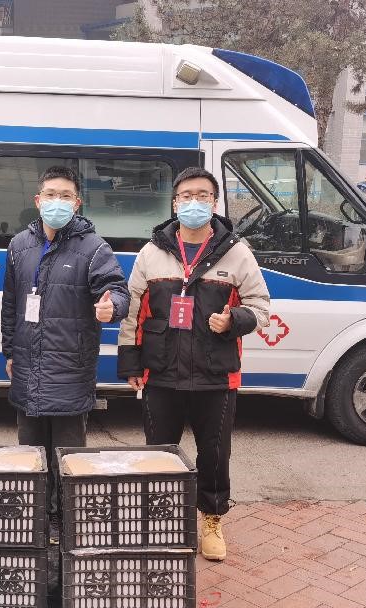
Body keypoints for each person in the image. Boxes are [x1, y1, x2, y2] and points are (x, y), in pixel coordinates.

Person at [117, 167, 270, 561]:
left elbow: (261, 308)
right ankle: (158, 520)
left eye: (203, 195)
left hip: (215, 375)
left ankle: (212, 520)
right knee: (159, 455)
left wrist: (234, 321)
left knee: (215, 456)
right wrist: (130, 363)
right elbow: (133, 311)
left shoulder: (237, 253)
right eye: (186, 196)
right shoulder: (152, 253)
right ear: (174, 203)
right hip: (160, 372)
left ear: (215, 203)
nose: (194, 202)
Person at [2, 166, 130, 516]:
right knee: (31, 459)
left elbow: (116, 290)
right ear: (37, 200)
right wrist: (9, 351)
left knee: (68, 461)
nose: (56, 201)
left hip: (70, 373)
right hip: (27, 370)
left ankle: (66, 521)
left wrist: (112, 308)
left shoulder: (94, 248)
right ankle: (35, 519)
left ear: (77, 203)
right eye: (50, 195)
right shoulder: (19, 245)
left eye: (65, 196)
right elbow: (11, 304)